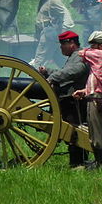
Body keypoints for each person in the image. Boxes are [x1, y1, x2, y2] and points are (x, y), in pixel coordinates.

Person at [40, 30, 89, 168]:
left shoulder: (80, 56)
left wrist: (52, 78)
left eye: (62, 44)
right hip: (68, 97)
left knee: (74, 131)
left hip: (73, 99)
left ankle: (78, 162)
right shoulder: (74, 56)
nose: (60, 47)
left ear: (71, 43)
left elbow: (75, 71)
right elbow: (65, 72)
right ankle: (77, 162)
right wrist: (48, 71)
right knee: (72, 130)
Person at [72, 30, 102, 169]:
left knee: (98, 135)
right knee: (94, 133)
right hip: (94, 96)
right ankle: (98, 161)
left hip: (97, 100)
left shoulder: (101, 55)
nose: (91, 48)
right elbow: (97, 81)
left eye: (93, 45)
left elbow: (80, 53)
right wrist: (85, 91)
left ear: (101, 46)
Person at [31, 0, 75, 69]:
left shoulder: (53, 0)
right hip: (48, 33)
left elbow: (66, 14)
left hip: (49, 34)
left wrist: (64, 30)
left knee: (40, 59)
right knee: (61, 60)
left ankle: (35, 79)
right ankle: (69, 74)